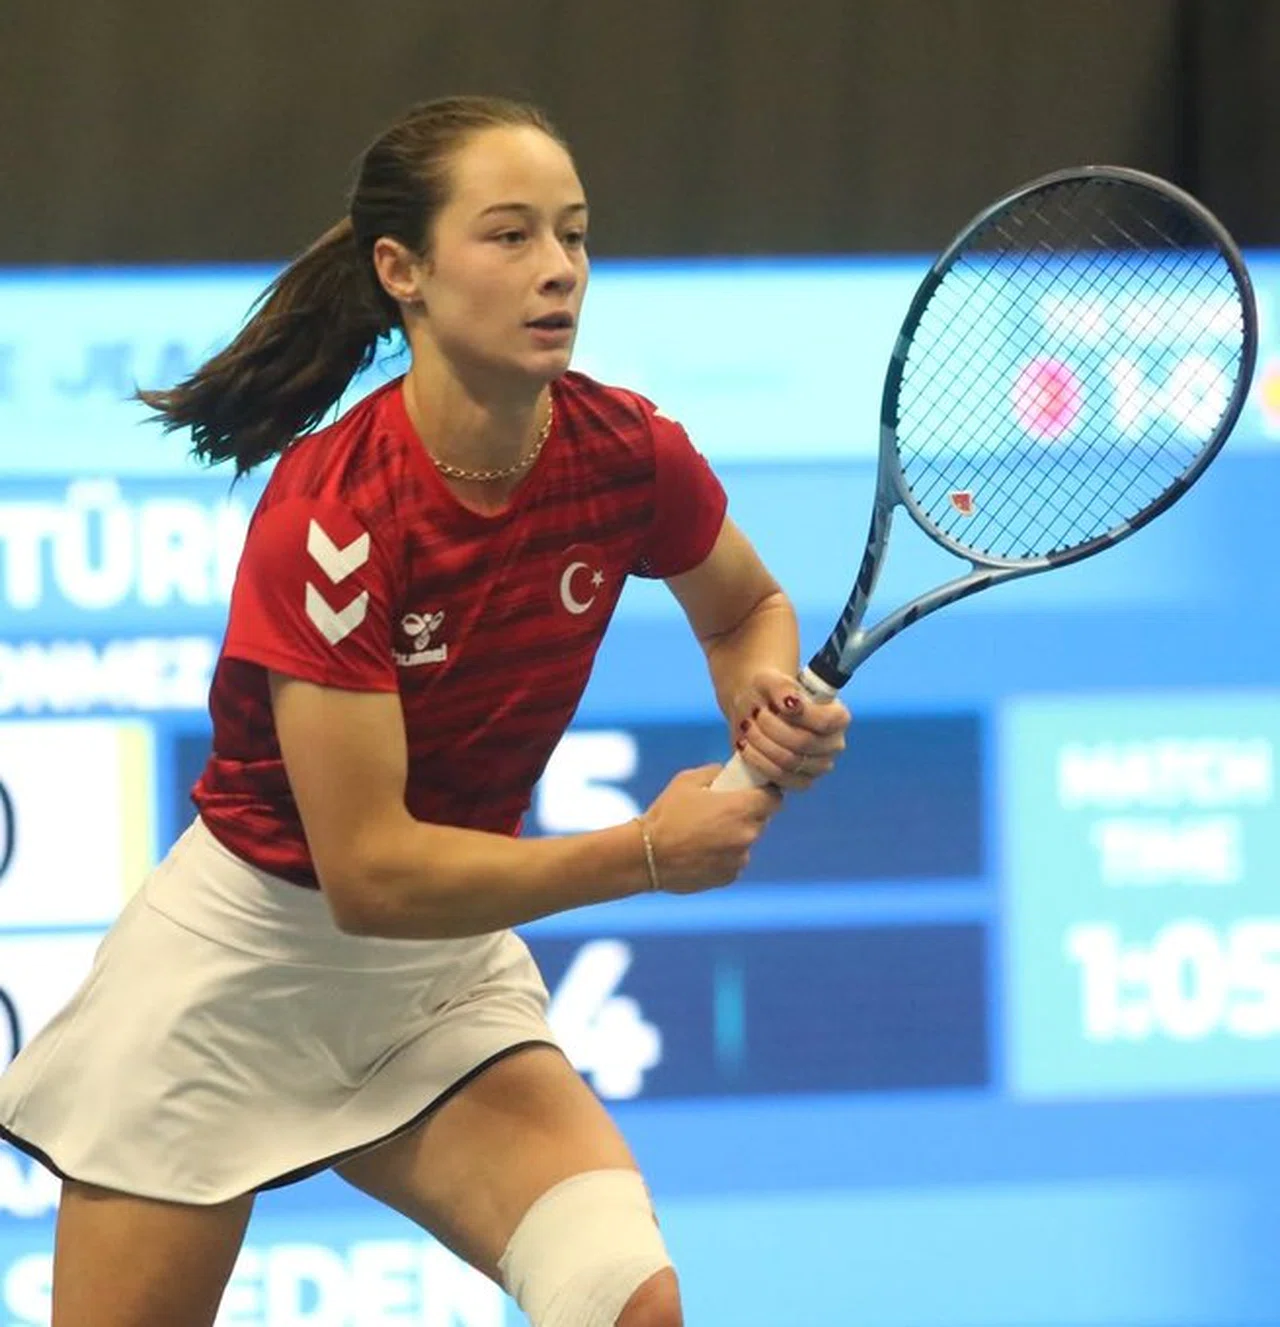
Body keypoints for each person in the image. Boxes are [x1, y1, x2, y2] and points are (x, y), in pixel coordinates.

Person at [0, 95, 851, 1327]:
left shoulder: (622, 452)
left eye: (573, 235)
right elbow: (372, 874)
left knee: (626, 1301)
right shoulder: (334, 514)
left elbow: (743, 606)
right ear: (402, 271)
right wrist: (646, 856)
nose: (557, 270)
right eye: (508, 237)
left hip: (435, 990)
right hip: (240, 977)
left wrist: (759, 693)